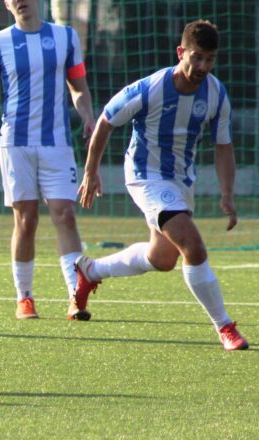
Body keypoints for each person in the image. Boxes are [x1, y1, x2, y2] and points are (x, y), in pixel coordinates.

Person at [74, 20, 248, 351]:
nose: (203, 66)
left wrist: (227, 194)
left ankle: (91, 271)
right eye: (197, 57)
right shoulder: (151, 88)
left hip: (180, 181)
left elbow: (223, 146)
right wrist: (90, 172)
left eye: (210, 59)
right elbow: (106, 121)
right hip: (146, 175)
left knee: (163, 258)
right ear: (181, 52)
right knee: (193, 246)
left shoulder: (216, 93)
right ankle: (225, 327)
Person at [0, 0, 96, 320]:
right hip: (16, 144)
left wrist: (88, 116)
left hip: (57, 143)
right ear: (6, 3)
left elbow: (78, 87)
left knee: (65, 215)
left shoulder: (66, 37)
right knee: (26, 220)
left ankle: (76, 296)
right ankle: (24, 297)